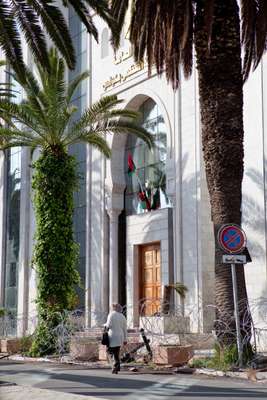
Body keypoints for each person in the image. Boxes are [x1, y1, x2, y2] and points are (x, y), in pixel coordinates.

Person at [105, 303, 127, 374]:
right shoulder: (123, 316)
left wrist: (104, 325)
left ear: (113, 308)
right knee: (116, 353)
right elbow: (125, 329)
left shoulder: (111, 315)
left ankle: (114, 367)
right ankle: (117, 367)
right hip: (120, 336)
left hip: (112, 336)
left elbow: (108, 325)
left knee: (109, 352)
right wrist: (125, 339)